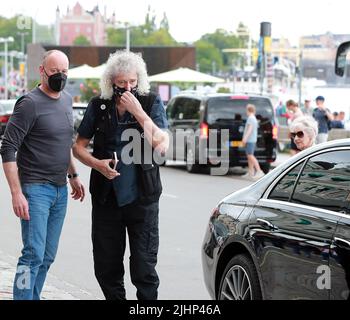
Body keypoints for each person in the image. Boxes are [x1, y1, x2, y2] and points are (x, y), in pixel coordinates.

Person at [72, 50, 169, 300]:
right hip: (107, 199)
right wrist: (97, 164)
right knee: (106, 265)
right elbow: (78, 147)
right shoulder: (98, 106)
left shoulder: (150, 102)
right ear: (111, 81)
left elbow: (161, 144)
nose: (128, 87)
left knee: (144, 267)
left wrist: (138, 111)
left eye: (133, 82)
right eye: (122, 82)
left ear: (139, 81)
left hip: (142, 198)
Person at [0, 50, 85, 300]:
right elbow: (8, 147)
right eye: (54, 72)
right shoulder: (30, 104)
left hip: (60, 190)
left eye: (64, 72)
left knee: (47, 256)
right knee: (32, 255)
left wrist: (74, 175)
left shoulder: (67, 100)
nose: (60, 76)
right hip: (35, 189)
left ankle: (32, 296)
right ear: (42, 71)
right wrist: (17, 193)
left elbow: (64, 143)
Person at [241, 104, 265, 180]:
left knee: (250, 155)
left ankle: (259, 171)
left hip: (250, 140)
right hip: (252, 140)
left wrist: (245, 138)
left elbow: (250, 129)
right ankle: (251, 172)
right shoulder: (253, 118)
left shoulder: (250, 118)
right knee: (249, 156)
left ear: (248, 110)